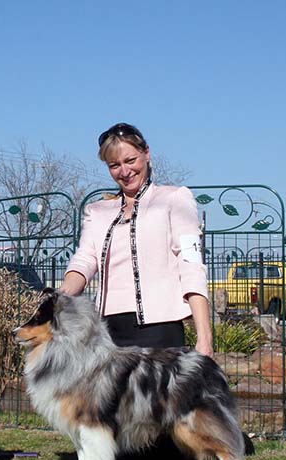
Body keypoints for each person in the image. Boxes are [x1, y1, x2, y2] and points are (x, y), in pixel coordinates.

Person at [60, 122, 213, 357]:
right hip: (107, 336)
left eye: (130, 161)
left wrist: (205, 339)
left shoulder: (174, 199)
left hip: (161, 334)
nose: (124, 171)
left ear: (147, 153)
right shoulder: (97, 211)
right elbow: (84, 260)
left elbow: (191, 265)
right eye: (114, 165)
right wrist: (59, 299)